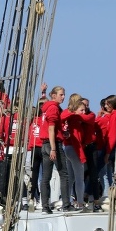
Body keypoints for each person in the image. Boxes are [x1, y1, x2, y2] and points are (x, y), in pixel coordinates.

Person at [39, 85, 72, 213]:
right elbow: (51, 129)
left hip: (44, 144)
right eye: (61, 95)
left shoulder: (47, 107)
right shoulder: (53, 108)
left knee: (45, 177)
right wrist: (54, 148)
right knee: (64, 174)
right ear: (54, 96)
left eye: (64, 95)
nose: (63, 97)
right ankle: (66, 204)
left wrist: (43, 93)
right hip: (53, 145)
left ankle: (45, 206)